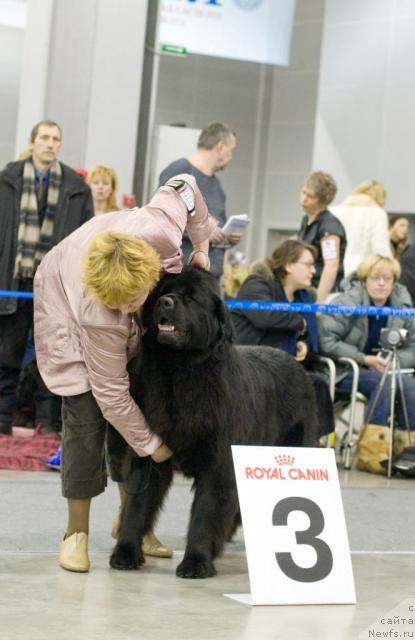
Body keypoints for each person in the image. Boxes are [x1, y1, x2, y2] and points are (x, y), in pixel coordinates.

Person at [33, 174, 216, 572]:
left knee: (142, 402)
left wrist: (201, 245)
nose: (129, 309)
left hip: (119, 254)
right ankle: (75, 532)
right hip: (63, 293)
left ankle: (131, 523)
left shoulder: (163, 231)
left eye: (135, 301)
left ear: (151, 275)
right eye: (122, 304)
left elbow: (184, 185)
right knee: (85, 415)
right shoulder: (102, 315)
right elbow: (111, 395)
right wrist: (153, 446)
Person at [0, 119, 93, 435]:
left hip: (55, 286)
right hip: (14, 282)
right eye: (44, 137)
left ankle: (48, 424)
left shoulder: (76, 188)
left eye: (55, 138)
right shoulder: (7, 179)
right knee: (7, 356)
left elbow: (86, 239)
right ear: (32, 142)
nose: (50, 143)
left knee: (52, 357)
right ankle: (1, 423)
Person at [231, 239, 334, 439]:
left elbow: (307, 337)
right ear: (288, 265)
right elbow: (265, 317)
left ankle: (310, 442)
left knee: (318, 385)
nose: (313, 271)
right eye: (308, 264)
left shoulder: (303, 297)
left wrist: (302, 344)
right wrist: (299, 321)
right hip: (248, 367)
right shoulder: (256, 284)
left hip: (282, 369)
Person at [318, 254, 415, 445]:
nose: (381, 284)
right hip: (344, 370)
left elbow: (412, 345)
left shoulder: (402, 305)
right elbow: (326, 341)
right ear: (364, 281)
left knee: (409, 385)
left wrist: (395, 361)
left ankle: (407, 449)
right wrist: (364, 359)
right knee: (385, 384)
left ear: (394, 282)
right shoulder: (346, 302)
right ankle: (372, 450)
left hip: (385, 369)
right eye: (375, 278)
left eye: (387, 279)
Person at [158, 121, 241, 284]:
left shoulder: (217, 186)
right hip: (181, 276)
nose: (231, 157)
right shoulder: (179, 171)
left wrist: (227, 237)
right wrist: (203, 232)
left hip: (210, 277)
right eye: (231, 151)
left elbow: (216, 229)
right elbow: (163, 219)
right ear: (221, 147)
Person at [298, 171, 346, 302]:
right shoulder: (305, 220)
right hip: (308, 290)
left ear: (322, 201)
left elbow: (331, 265)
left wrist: (319, 302)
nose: (304, 198)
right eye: (303, 192)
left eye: (311, 196)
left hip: (325, 295)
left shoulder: (329, 226)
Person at [331, 180, 391, 276]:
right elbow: (381, 251)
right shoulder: (377, 214)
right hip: (362, 272)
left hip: (333, 270)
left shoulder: (334, 211)